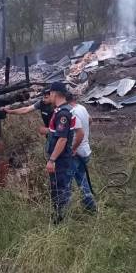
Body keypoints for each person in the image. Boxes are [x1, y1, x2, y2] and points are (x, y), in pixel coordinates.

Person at [45, 82, 77, 223]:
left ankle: (62, 220)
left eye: (50, 93)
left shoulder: (63, 113)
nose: (49, 96)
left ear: (54, 93)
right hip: (61, 158)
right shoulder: (62, 110)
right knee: (61, 187)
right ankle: (61, 216)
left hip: (60, 159)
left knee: (60, 188)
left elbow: (62, 139)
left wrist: (52, 160)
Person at [66, 92, 97, 212]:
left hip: (76, 153)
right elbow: (90, 120)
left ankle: (65, 210)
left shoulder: (72, 112)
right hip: (85, 150)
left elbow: (80, 133)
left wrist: (73, 149)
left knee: (67, 181)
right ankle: (90, 205)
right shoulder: (82, 108)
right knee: (82, 179)